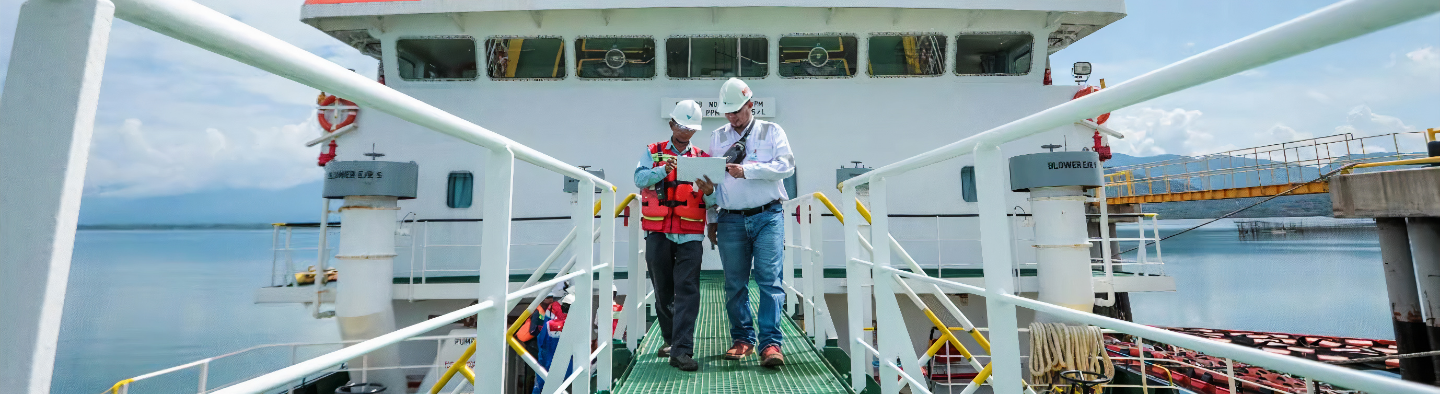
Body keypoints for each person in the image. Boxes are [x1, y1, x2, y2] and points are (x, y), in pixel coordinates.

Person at [693, 78, 795, 368]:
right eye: (727, 112)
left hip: (767, 216)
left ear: (751, 104)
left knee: (769, 281)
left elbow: (786, 166)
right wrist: (711, 214)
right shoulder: (717, 138)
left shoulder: (772, 131)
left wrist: (748, 171)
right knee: (734, 284)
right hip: (730, 219)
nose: (732, 117)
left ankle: (771, 344)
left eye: (737, 111)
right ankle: (742, 340)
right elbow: (713, 181)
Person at [634, 100, 710, 371]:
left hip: (690, 233)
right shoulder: (652, 152)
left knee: (687, 289)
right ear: (671, 125)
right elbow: (639, 179)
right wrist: (661, 171)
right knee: (663, 289)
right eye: (681, 126)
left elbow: (711, 200)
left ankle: (682, 350)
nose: (685, 132)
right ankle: (670, 340)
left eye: (690, 128)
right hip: (658, 231)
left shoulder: (703, 158)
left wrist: (709, 190)